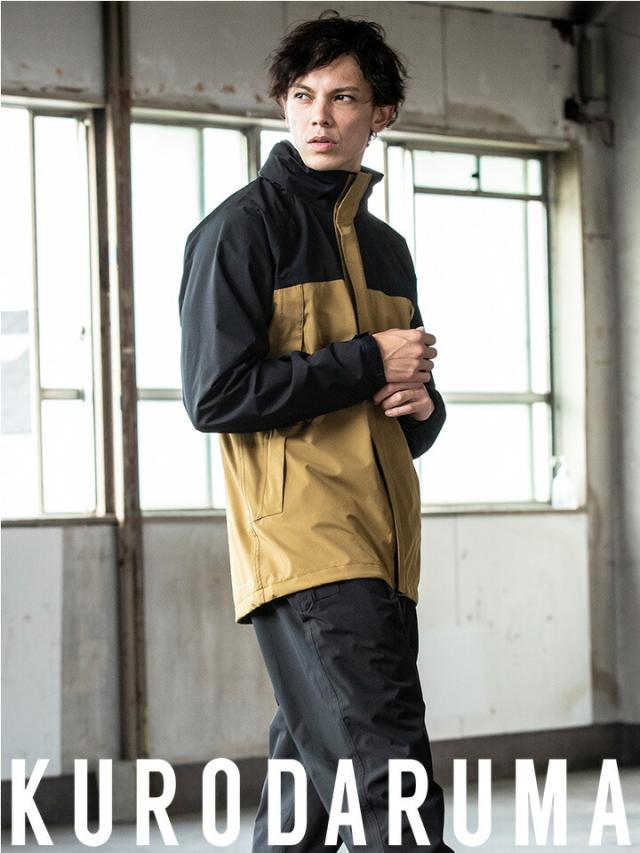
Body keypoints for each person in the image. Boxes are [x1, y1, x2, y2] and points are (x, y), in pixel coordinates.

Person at [179, 11, 454, 851]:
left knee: (309, 791)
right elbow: (215, 395)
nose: (320, 116)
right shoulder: (240, 230)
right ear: (284, 106)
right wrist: (367, 358)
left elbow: (396, 419)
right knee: (391, 782)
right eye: (303, 96)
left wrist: (424, 406)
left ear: (382, 113)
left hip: (385, 544)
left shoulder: (387, 249)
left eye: (343, 97)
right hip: (306, 543)